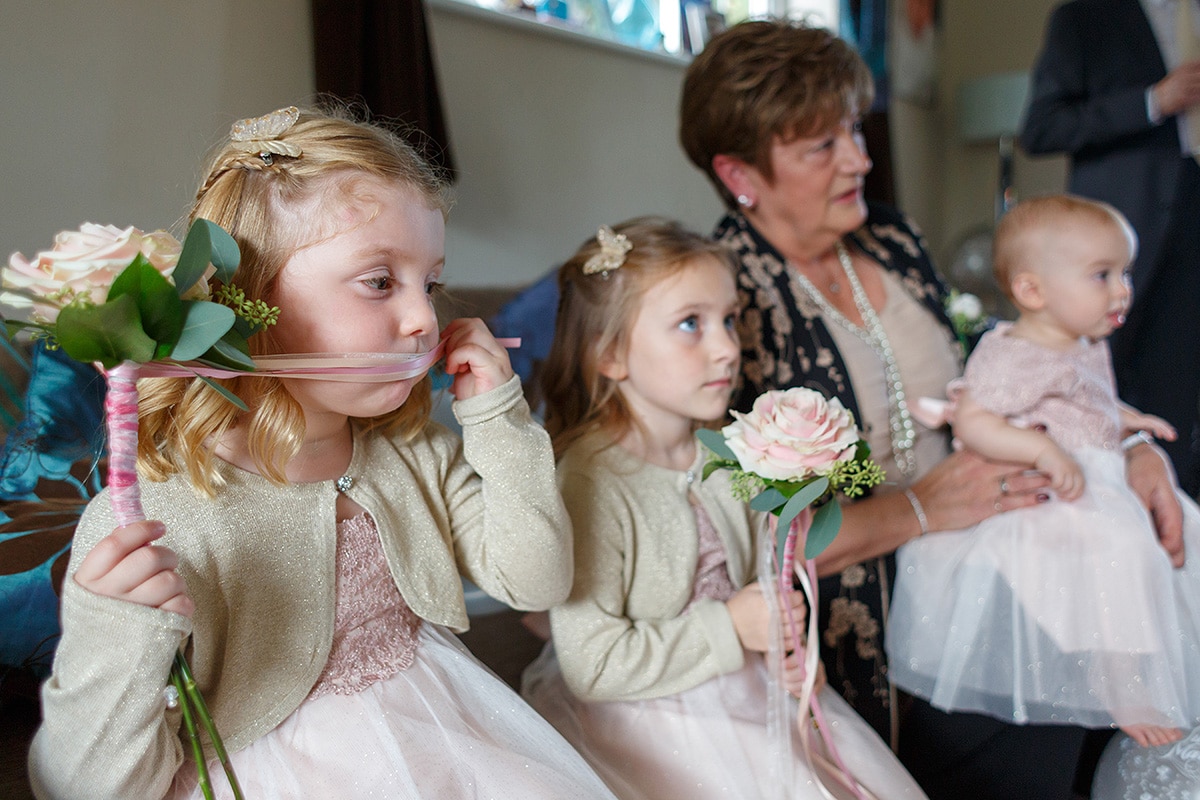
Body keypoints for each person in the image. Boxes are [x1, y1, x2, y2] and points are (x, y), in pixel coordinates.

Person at [26, 105, 618, 800]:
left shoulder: (413, 452)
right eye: (378, 281)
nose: (425, 318)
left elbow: (537, 581)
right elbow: (83, 787)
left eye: (428, 282)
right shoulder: (160, 514)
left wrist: (497, 416)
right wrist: (114, 629)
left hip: (443, 739)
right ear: (250, 299)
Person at [678, 18, 1186, 798]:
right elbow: (749, 532)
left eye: (853, 128)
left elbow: (1019, 363)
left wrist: (1128, 450)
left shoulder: (888, 236)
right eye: (823, 146)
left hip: (1015, 541)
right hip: (879, 616)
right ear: (739, 173)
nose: (861, 157)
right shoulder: (725, 302)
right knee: (1049, 739)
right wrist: (920, 508)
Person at [520, 217, 928, 799]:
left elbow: (757, 580)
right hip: (647, 717)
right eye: (691, 324)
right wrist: (732, 625)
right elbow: (595, 666)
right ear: (610, 354)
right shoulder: (589, 483)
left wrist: (783, 637)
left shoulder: (735, 449)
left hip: (749, 687)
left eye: (730, 319)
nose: (727, 348)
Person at [886, 195, 1200, 758]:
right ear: (1033, 292)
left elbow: (1090, 400)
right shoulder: (1017, 354)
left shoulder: (1080, 340)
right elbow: (977, 420)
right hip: (1055, 487)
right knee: (1119, 553)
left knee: (1174, 545)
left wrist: (1129, 422)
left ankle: (1142, 667)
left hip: (1097, 473)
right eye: (1102, 275)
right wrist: (1039, 449)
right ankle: (1117, 684)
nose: (1122, 290)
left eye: (1123, 273)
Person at [1021, 0, 1200, 498]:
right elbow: (1040, 127)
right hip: (1127, 228)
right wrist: (1153, 101)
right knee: (1113, 381)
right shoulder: (1085, 16)